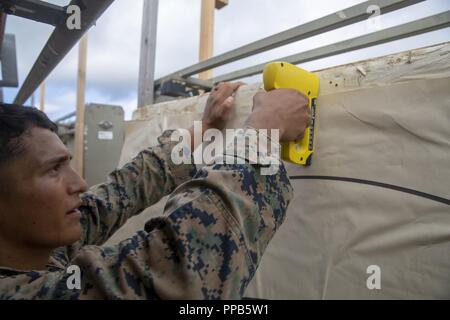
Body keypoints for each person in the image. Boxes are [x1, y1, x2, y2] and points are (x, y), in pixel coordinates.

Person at [0, 82, 310, 299]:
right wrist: (263, 134)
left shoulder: (35, 246)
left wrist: (204, 129)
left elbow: (124, 190)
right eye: (53, 169)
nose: (79, 184)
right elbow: (176, 276)